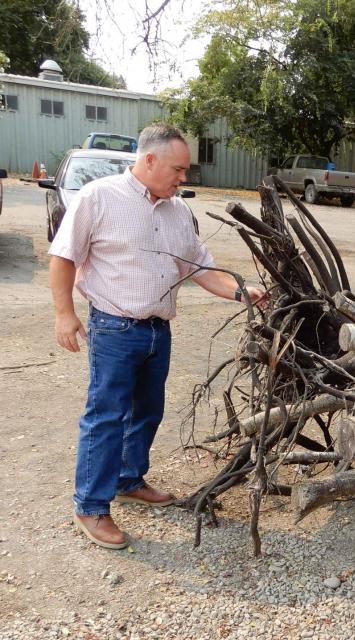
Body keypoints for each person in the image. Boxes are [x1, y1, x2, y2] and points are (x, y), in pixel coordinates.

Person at [48, 123, 265, 550]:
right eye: (178, 169)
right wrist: (64, 313)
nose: (183, 178)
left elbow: (199, 267)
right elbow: (63, 255)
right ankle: (90, 506)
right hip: (113, 328)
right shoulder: (99, 197)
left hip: (156, 331)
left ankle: (129, 480)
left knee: (147, 411)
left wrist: (241, 292)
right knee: (106, 416)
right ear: (149, 160)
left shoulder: (178, 211)